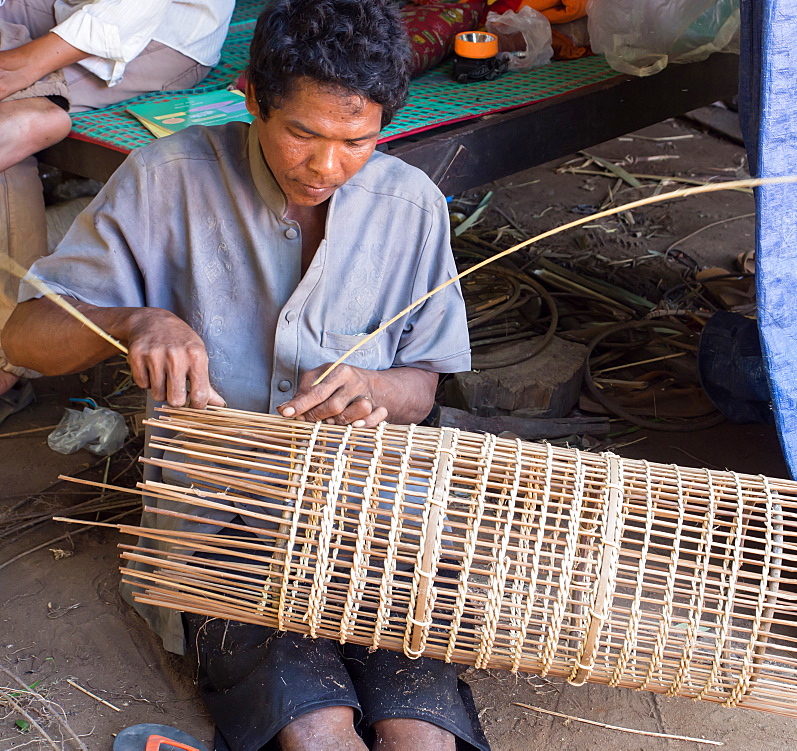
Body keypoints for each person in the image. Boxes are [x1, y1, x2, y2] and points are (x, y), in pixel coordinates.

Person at [2, 1, 486, 749]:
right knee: (318, 731)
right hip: (222, 528)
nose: (326, 166)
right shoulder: (171, 178)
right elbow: (25, 336)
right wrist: (135, 322)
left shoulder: (411, 207)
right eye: (303, 133)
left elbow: (420, 385)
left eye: (357, 140)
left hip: (377, 523)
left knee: (419, 733)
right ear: (253, 97)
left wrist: (378, 391)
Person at [0, 0, 236, 420]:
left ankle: (5, 352)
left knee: (10, 128)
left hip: (151, 26)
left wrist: (21, 66)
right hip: (52, 8)